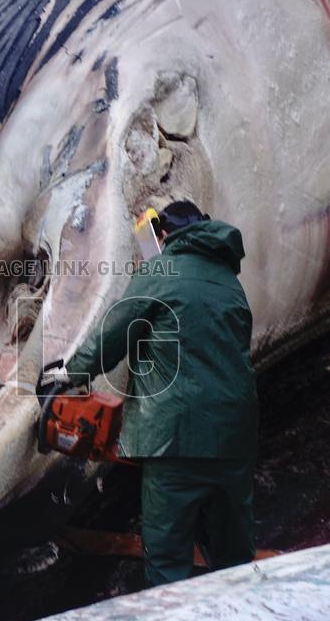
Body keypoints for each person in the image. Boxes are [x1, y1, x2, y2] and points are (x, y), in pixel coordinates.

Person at [54, 201, 259, 587]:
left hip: (175, 440)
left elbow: (116, 332)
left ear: (162, 235)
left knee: (168, 561)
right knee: (234, 559)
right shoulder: (230, 282)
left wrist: (69, 371)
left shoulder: (161, 270)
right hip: (235, 439)